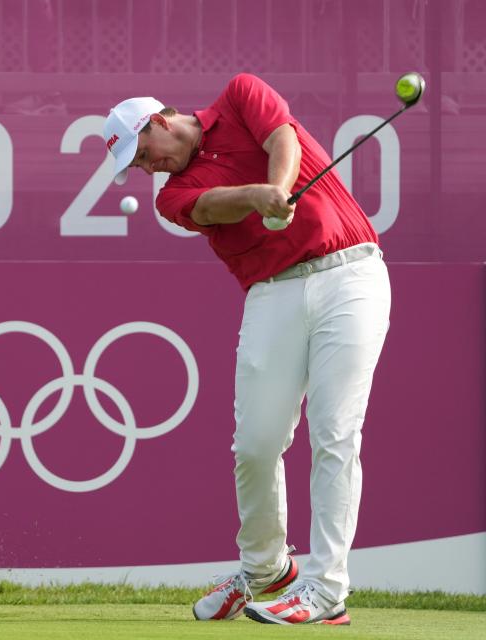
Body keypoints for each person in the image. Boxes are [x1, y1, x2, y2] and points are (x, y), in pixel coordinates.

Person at [103, 73, 391, 625]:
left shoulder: (240, 94)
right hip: (273, 293)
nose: (147, 169)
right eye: (138, 167)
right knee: (255, 445)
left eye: (143, 154)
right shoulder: (172, 197)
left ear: (159, 122)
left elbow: (282, 140)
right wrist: (260, 199)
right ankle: (265, 570)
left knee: (334, 433)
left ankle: (326, 589)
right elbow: (214, 208)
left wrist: (277, 187)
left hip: (350, 273)